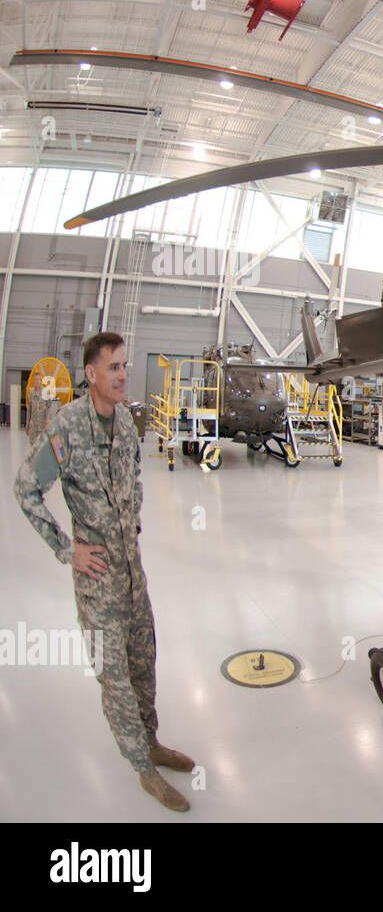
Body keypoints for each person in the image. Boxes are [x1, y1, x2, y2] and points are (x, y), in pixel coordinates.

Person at [13, 332, 195, 812]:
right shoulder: (67, 428)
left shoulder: (128, 426)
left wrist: (131, 523)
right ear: (90, 373)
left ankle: (151, 741)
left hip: (133, 576)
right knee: (114, 678)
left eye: (124, 366)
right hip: (98, 586)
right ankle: (142, 769)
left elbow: (133, 475)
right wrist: (66, 549)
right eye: (113, 367)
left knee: (143, 664)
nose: (122, 375)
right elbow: (25, 490)